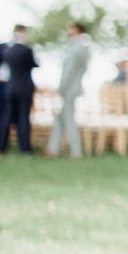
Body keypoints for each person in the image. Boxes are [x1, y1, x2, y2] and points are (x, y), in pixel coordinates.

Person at [46, 21, 92, 158]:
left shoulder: (77, 48)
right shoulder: (80, 47)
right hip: (71, 88)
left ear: (77, 30)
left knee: (68, 119)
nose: (68, 31)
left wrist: (61, 87)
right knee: (61, 119)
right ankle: (52, 149)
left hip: (70, 89)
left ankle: (75, 151)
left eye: (70, 28)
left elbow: (69, 71)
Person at [0, 25, 39, 154]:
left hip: (10, 87)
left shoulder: (8, 50)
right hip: (24, 87)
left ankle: (1, 147)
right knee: (23, 117)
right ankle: (25, 148)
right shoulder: (27, 50)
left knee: (7, 117)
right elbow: (35, 64)